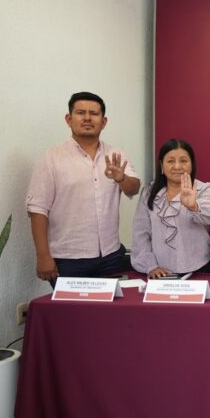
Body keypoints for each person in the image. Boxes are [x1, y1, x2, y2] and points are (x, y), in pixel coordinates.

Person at [27, 92, 141, 282]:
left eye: (94, 113)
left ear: (103, 122)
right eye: (81, 113)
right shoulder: (51, 158)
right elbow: (38, 209)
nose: (87, 118)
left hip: (111, 256)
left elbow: (134, 188)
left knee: (116, 303)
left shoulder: (116, 154)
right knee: (70, 304)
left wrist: (121, 178)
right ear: (68, 119)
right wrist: (43, 256)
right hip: (68, 259)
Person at [131, 139, 210, 278]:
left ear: (192, 164)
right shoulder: (148, 193)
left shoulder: (203, 188)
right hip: (160, 271)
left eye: (183, 161)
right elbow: (140, 233)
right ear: (161, 166)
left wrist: (193, 206)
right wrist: (150, 266)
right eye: (170, 161)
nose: (177, 166)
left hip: (199, 267)